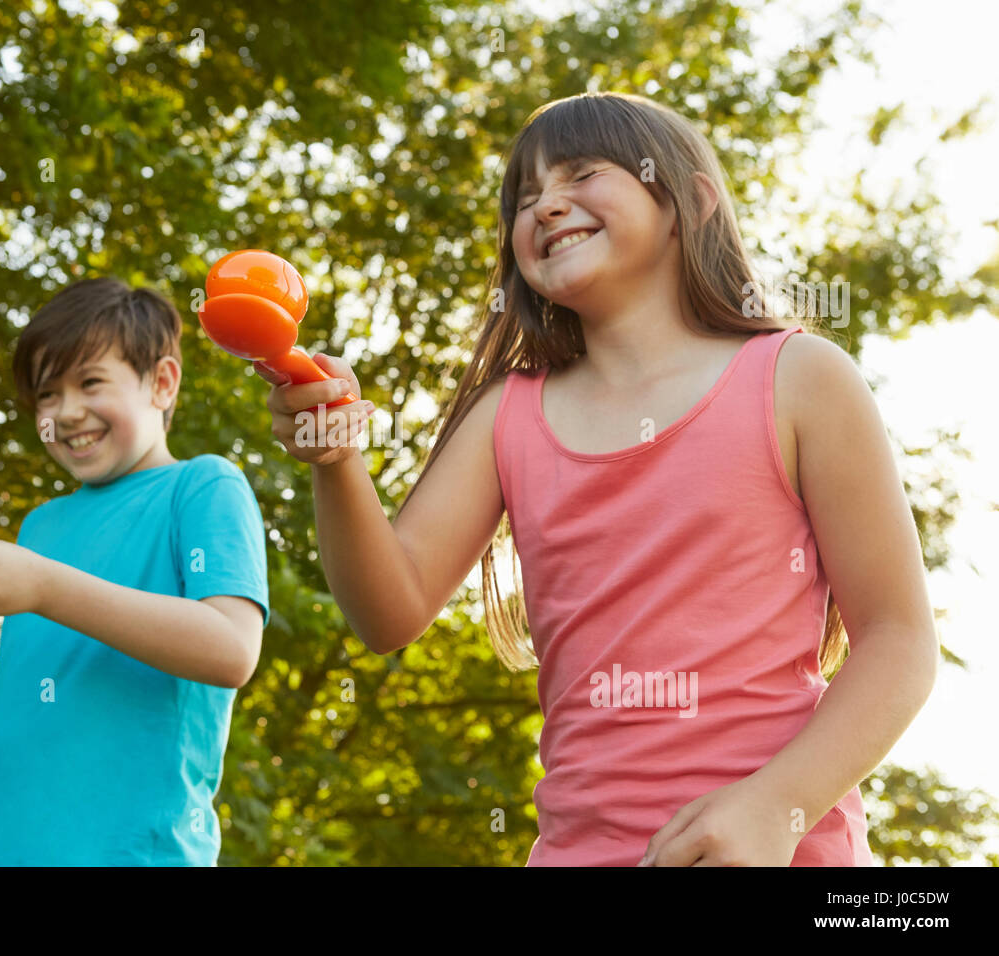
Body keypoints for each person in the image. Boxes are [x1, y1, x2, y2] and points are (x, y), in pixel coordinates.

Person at [255, 92, 937, 866]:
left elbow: (900, 639)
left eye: (581, 173)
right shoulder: (505, 417)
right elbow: (390, 611)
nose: (546, 206)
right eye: (524, 197)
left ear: (692, 201)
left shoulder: (799, 378)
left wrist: (773, 812)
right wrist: (337, 459)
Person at [0, 278, 269, 865]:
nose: (65, 412)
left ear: (162, 382)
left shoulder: (203, 486)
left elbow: (231, 648)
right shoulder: (40, 526)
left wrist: (43, 586)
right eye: (47, 395)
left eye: (90, 382)